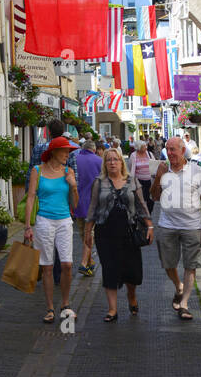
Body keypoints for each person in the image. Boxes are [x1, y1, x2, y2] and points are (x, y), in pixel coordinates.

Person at [84, 147, 153, 322]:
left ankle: (132, 296)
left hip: (128, 232)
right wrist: (88, 232)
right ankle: (112, 309)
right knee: (109, 269)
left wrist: (150, 226)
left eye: (116, 159)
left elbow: (141, 205)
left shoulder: (132, 181)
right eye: (109, 160)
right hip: (105, 233)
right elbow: (92, 208)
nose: (112, 162)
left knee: (132, 271)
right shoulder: (99, 183)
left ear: (121, 163)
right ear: (105, 164)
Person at [149, 135, 201, 322]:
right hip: (167, 225)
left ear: (182, 151)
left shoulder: (196, 171)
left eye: (173, 149)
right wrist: (159, 177)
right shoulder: (163, 170)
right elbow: (154, 197)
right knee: (168, 264)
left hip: (192, 226)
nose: (169, 153)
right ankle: (179, 286)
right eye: (167, 149)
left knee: (190, 266)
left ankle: (184, 304)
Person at [24, 136, 79, 323]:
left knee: (67, 265)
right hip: (44, 221)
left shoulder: (68, 171)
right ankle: (49, 308)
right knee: (47, 266)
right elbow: (30, 197)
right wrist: (27, 226)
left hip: (64, 220)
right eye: (65, 151)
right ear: (53, 152)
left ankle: (65, 303)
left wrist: (73, 186)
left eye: (69, 151)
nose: (68, 154)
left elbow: (76, 204)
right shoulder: (37, 171)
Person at [74, 138, 102, 277]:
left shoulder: (75, 159)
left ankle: (89, 262)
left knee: (82, 233)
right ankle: (85, 263)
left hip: (77, 203)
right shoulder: (99, 161)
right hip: (93, 203)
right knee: (89, 234)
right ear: (94, 149)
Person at [128, 141, 157, 213]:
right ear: (139, 147)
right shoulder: (133, 155)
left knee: (150, 201)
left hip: (150, 181)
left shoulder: (149, 154)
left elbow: (155, 165)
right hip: (139, 182)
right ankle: (141, 216)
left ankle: (148, 214)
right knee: (140, 200)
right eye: (144, 146)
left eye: (146, 146)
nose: (146, 147)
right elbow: (130, 167)